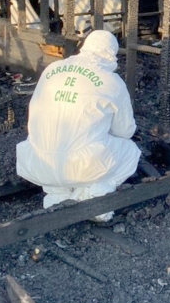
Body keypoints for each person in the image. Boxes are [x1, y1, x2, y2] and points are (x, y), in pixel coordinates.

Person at [16, 30, 140, 222]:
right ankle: (92, 199)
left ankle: (57, 197)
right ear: (110, 54)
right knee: (130, 152)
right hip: (82, 166)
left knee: (55, 139)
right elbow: (125, 131)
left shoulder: (52, 69)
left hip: (37, 163)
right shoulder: (112, 82)